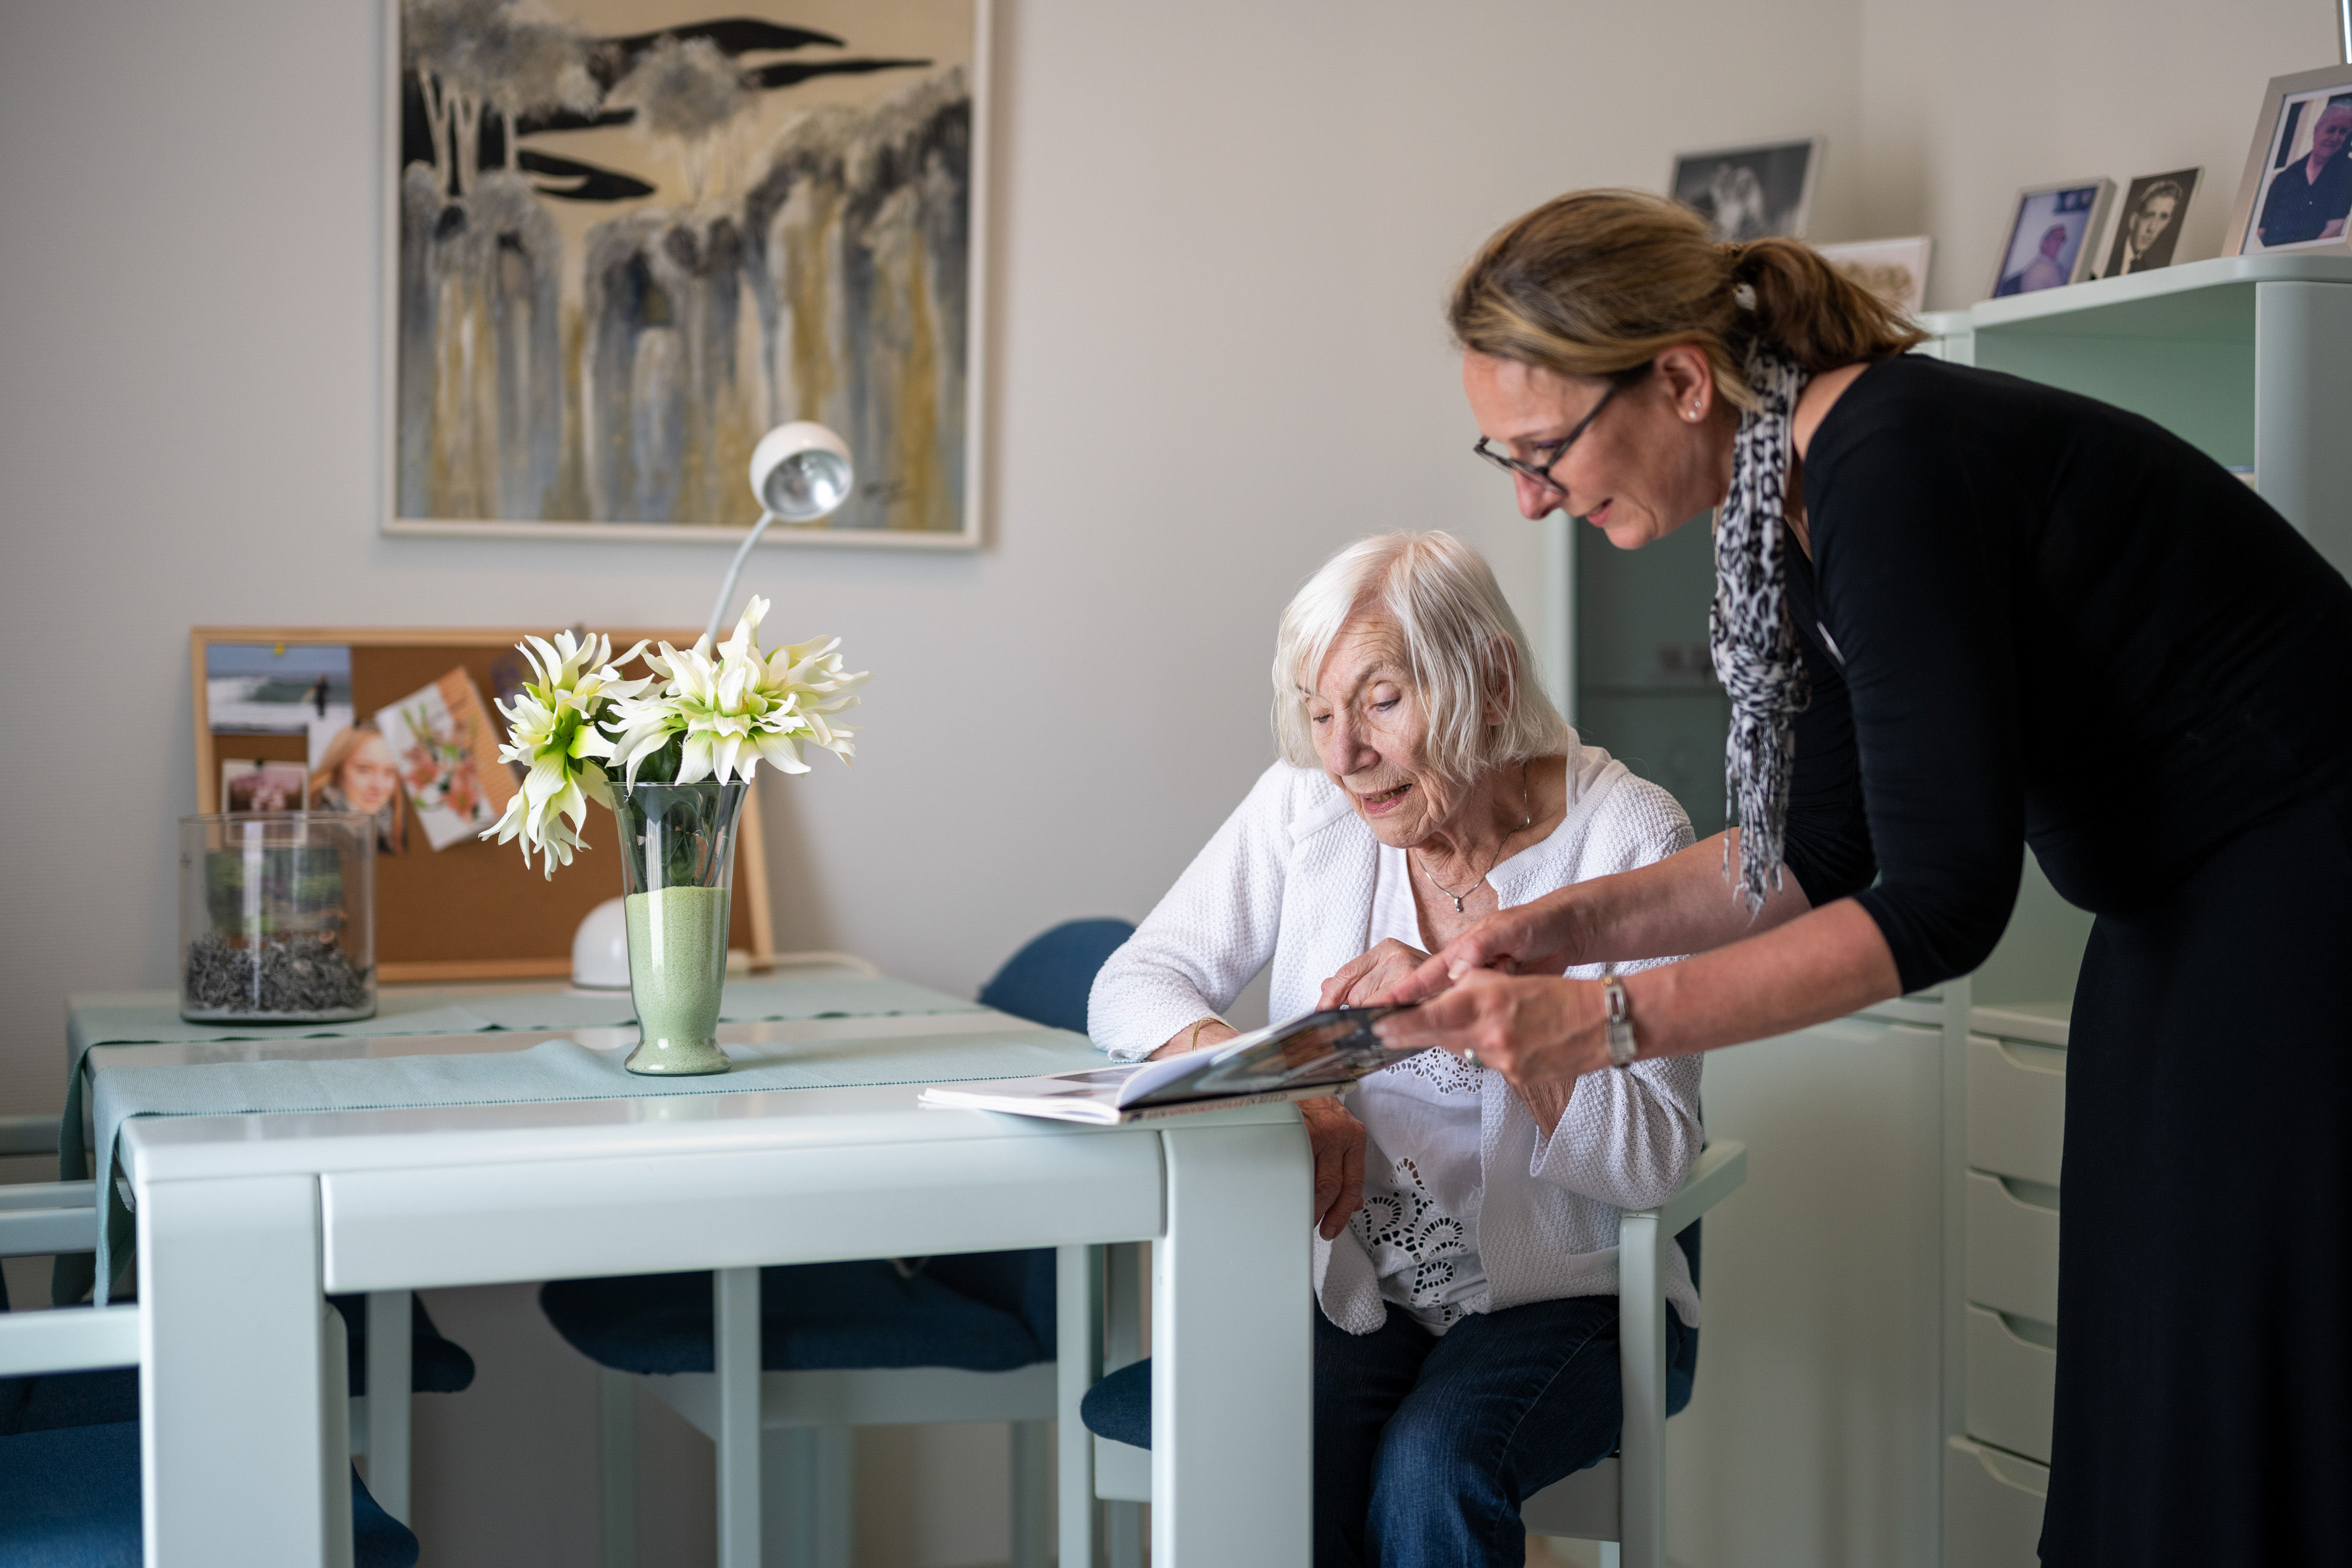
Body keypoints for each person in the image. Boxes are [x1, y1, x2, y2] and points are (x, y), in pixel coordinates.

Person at [1356, 188, 2352, 1566]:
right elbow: (1813, 855)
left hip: (2305, 889)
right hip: (2177, 906)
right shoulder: (1785, 497)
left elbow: (1945, 895)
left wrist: (1603, 1021)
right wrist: (1541, 932)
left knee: (2237, 1380)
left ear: (1682, 379)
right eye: (1503, 456)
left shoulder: (1890, 456)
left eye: (1545, 448)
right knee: (2147, 1374)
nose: (1531, 495)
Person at [1088, 531, 1701, 1568]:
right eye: (1319, 713)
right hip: (1353, 1287)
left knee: (1433, 1462)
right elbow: (1132, 982)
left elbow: (1650, 1158)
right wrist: (1281, 1088)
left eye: (1378, 701)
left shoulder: (1629, 835)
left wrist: (1493, 1015)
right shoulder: (1307, 807)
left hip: (1569, 1296)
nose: (1341, 755)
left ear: (1490, 681)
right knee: (1267, 1449)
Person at [2257, 99, 2352, 248]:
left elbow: (2335, 227)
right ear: (2317, 130)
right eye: (2331, 130)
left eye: (2343, 132)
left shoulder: (2346, 172)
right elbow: (2260, 230)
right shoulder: (2286, 176)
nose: (2335, 138)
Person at [309, 724, 406, 853]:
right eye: (364, 770)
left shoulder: (394, 837)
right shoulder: (313, 836)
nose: (378, 786)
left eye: (389, 772)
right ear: (337, 773)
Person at [2103, 177, 2185, 275]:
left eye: (2163, 217)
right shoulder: (2104, 258)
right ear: (2134, 221)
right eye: (2149, 216)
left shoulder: (2148, 273)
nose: (2152, 228)